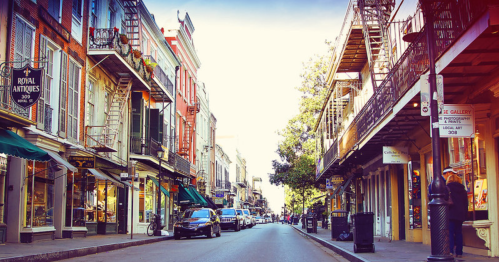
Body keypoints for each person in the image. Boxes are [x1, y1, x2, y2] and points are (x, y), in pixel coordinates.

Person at [446, 173, 468, 258]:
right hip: (460, 214)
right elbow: (466, 204)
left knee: (450, 232)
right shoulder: (463, 190)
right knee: (459, 232)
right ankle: (459, 252)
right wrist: (465, 215)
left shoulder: (447, 188)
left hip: (451, 213)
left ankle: (450, 251)